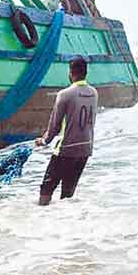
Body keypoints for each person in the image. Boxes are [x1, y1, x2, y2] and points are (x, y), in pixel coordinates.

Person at [35, 56, 98, 205]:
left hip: (66, 150)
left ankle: (40, 219)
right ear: (85, 73)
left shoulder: (64, 94)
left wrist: (43, 141)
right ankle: (67, 222)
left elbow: (54, 125)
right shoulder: (94, 93)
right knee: (68, 192)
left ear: (71, 73)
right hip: (85, 149)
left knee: (46, 189)